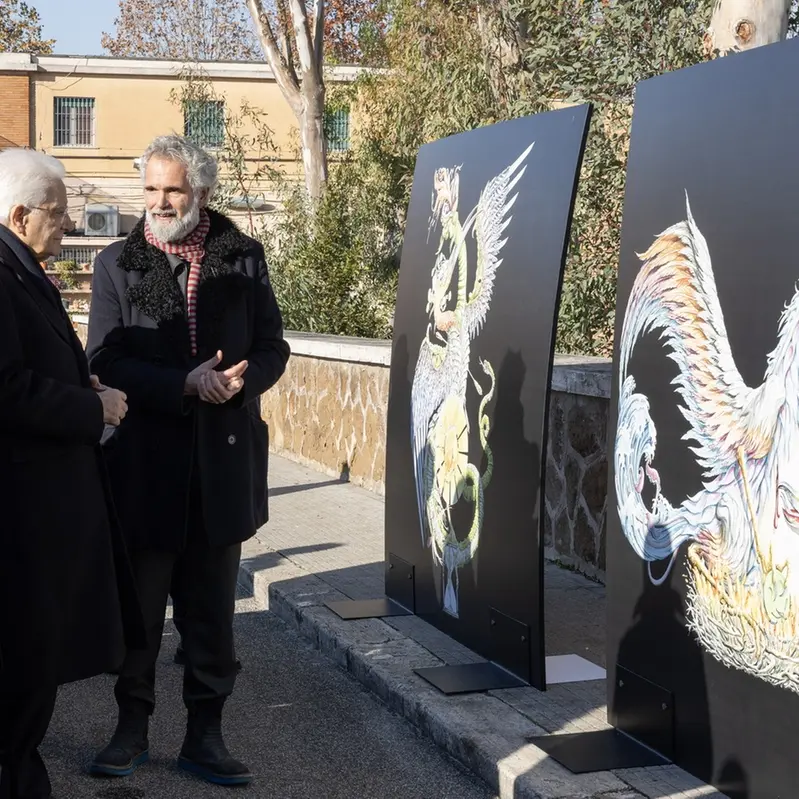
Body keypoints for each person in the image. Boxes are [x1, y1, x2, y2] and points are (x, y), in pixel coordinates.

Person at [87, 134, 290, 787]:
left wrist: (240, 380)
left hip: (221, 468)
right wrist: (182, 382)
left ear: (199, 191)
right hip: (145, 465)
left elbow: (272, 347)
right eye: (149, 189)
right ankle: (130, 729)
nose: (158, 201)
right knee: (140, 614)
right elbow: (105, 360)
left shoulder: (245, 257)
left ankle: (205, 736)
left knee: (210, 617)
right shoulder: (117, 262)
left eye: (171, 189)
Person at [0, 148, 144, 799]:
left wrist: (74, 382)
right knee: (23, 664)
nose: (66, 227)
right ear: (20, 214)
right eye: (57, 215)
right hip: (22, 512)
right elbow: (5, 389)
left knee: (34, 660)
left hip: (38, 506)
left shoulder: (23, 268)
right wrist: (92, 406)